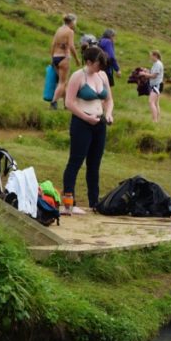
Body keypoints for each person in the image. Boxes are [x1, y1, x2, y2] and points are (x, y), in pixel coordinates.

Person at [61, 45, 113, 214]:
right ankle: (69, 202)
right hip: (82, 123)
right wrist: (85, 117)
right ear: (89, 62)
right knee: (76, 161)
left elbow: (109, 99)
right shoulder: (78, 76)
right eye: (98, 65)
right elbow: (69, 102)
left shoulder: (102, 75)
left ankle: (94, 202)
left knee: (94, 164)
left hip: (99, 123)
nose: (99, 68)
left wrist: (109, 114)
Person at [49, 13, 81, 109]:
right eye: (75, 21)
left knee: (64, 82)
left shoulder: (59, 29)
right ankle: (54, 102)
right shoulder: (70, 32)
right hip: (64, 57)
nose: (75, 24)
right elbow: (71, 46)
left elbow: (53, 44)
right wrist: (76, 59)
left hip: (55, 56)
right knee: (62, 83)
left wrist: (52, 57)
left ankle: (66, 104)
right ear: (72, 22)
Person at [141, 50, 164, 123]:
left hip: (156, 86)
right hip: (156, 85)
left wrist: (144, 74)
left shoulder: (158, 64)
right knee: (156, 103)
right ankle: (157, 119)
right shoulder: (156, 64)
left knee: (151, 102)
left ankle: (154, 120)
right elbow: (152, 73)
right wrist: (146, 71)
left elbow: (154, 76)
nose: (150, 57)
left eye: (151, 55)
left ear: (155, 56)